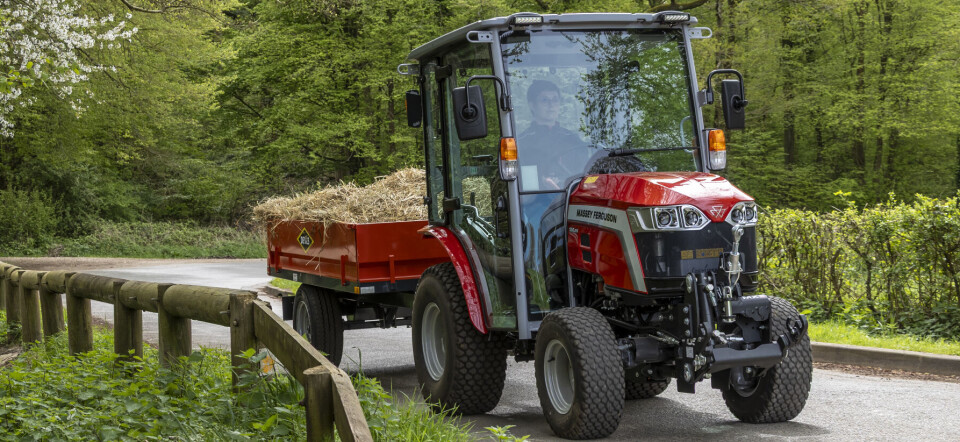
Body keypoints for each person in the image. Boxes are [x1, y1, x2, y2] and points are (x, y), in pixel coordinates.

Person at [517, 80, 587, 189]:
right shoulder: (521, 143)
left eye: (555, 100)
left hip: (571, 198)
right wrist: (543, 182)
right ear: (532, 105)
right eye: (544, 100)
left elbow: (585, 175)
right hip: (536, 201)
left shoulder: (573, 140)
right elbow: (525, 185)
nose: (551, 105)